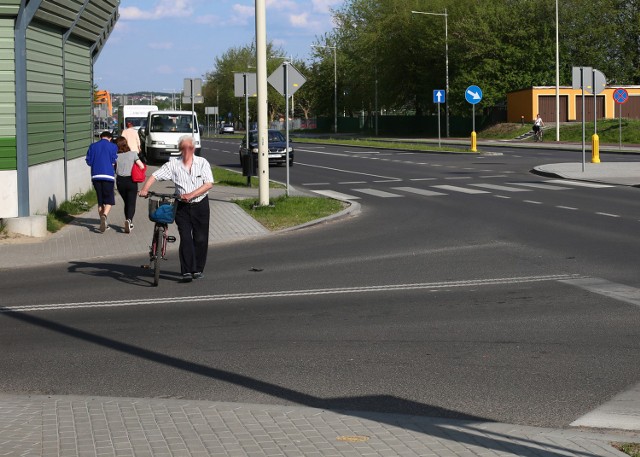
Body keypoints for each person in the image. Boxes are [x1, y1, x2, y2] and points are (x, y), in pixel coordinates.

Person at [139, 135, 214, 283]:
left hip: (200, 204)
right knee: (185, 237)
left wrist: (191, 194)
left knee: (200, 238)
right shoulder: (173, 164)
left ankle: (197, 269)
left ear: (193, 149)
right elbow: (155, 175)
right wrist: (145, 189)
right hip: (182, 206)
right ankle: (186, 271)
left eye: (190, 148)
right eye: (184, 148)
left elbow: (208, 184)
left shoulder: (202, 163)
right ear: (180, 150)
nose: (187, 151)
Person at [86, 130, 118, 232]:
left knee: (100, 201)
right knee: (109, 200)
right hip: (108, 176)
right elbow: (114, 160)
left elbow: (89, 161)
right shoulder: (113, 146)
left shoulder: (92, 146)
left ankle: (102, 221)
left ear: (101, 137)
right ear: (110, 138)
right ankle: (104, 215)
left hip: (96, 175)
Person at [115, 136, 146, 233]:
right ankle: (129, 220)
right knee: (131, 203)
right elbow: (141, 166)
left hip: (120, 181)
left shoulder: (115, 156)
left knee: (126, 202)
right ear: (126, 143)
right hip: (131, 181)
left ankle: (128, 220)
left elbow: (113, 167)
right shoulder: (133, 154)